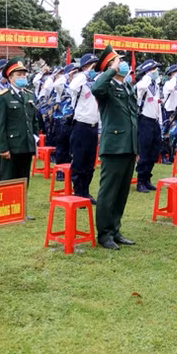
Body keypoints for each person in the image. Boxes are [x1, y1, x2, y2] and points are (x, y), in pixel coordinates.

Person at [91, 46, 138, 250]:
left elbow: (133, 117)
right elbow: (96, 88)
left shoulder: (127, 86)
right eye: (120, 61)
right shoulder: (106, 86)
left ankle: (115, 229)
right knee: (109, 192)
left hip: (128, 145)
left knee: (121, 193)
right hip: (114, 146)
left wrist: (136, 146)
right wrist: (111, 70)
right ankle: (104, 234)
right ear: (110, 65)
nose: (124, 64)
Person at [0, 58, 39, 190]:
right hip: (11, 147)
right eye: (19, 75)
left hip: (26, 146)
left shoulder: (29, 95)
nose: (23, 77)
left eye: (24, 74)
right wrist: (3, 148)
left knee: (23, 183)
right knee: (9, 183)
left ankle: (22, 204)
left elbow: (34, 120)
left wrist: (34, 140)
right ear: (10, 78)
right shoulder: (3, 97)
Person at [69, 54, 100, 203]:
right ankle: (78, 192)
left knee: (90, 163)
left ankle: (86, 191)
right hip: (81, 125)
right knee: (79, 161)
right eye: (92, 65)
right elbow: (72, 87)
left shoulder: (96, 83)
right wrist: (85, 73)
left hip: (93, 126)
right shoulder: (80, 82)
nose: (94, 68)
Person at [134, 59, 162, 193]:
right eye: (154, 69)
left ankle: (147, 178)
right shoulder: (143, 84)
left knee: (154, 151)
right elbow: (140, 87)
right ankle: (140, 181)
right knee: (144, 152)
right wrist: (147, 75)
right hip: (144, 121)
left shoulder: (155, 85)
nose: (157, 72)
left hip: (155, 121)